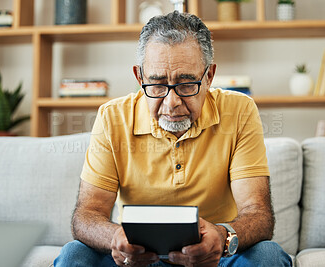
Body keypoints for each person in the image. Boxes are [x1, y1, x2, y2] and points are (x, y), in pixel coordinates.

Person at [54, 11, 292, 267]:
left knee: (268, 255)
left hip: (215, 259)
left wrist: (223, 236)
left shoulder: (240, 111)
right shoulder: (112, 117)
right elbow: (86, 215)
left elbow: (258, 214)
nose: (172, 103)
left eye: (187, 84)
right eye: (156, 85)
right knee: (73, 255)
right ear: (140, 77)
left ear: (209, 77)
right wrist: (116, 238)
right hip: (137, 260)